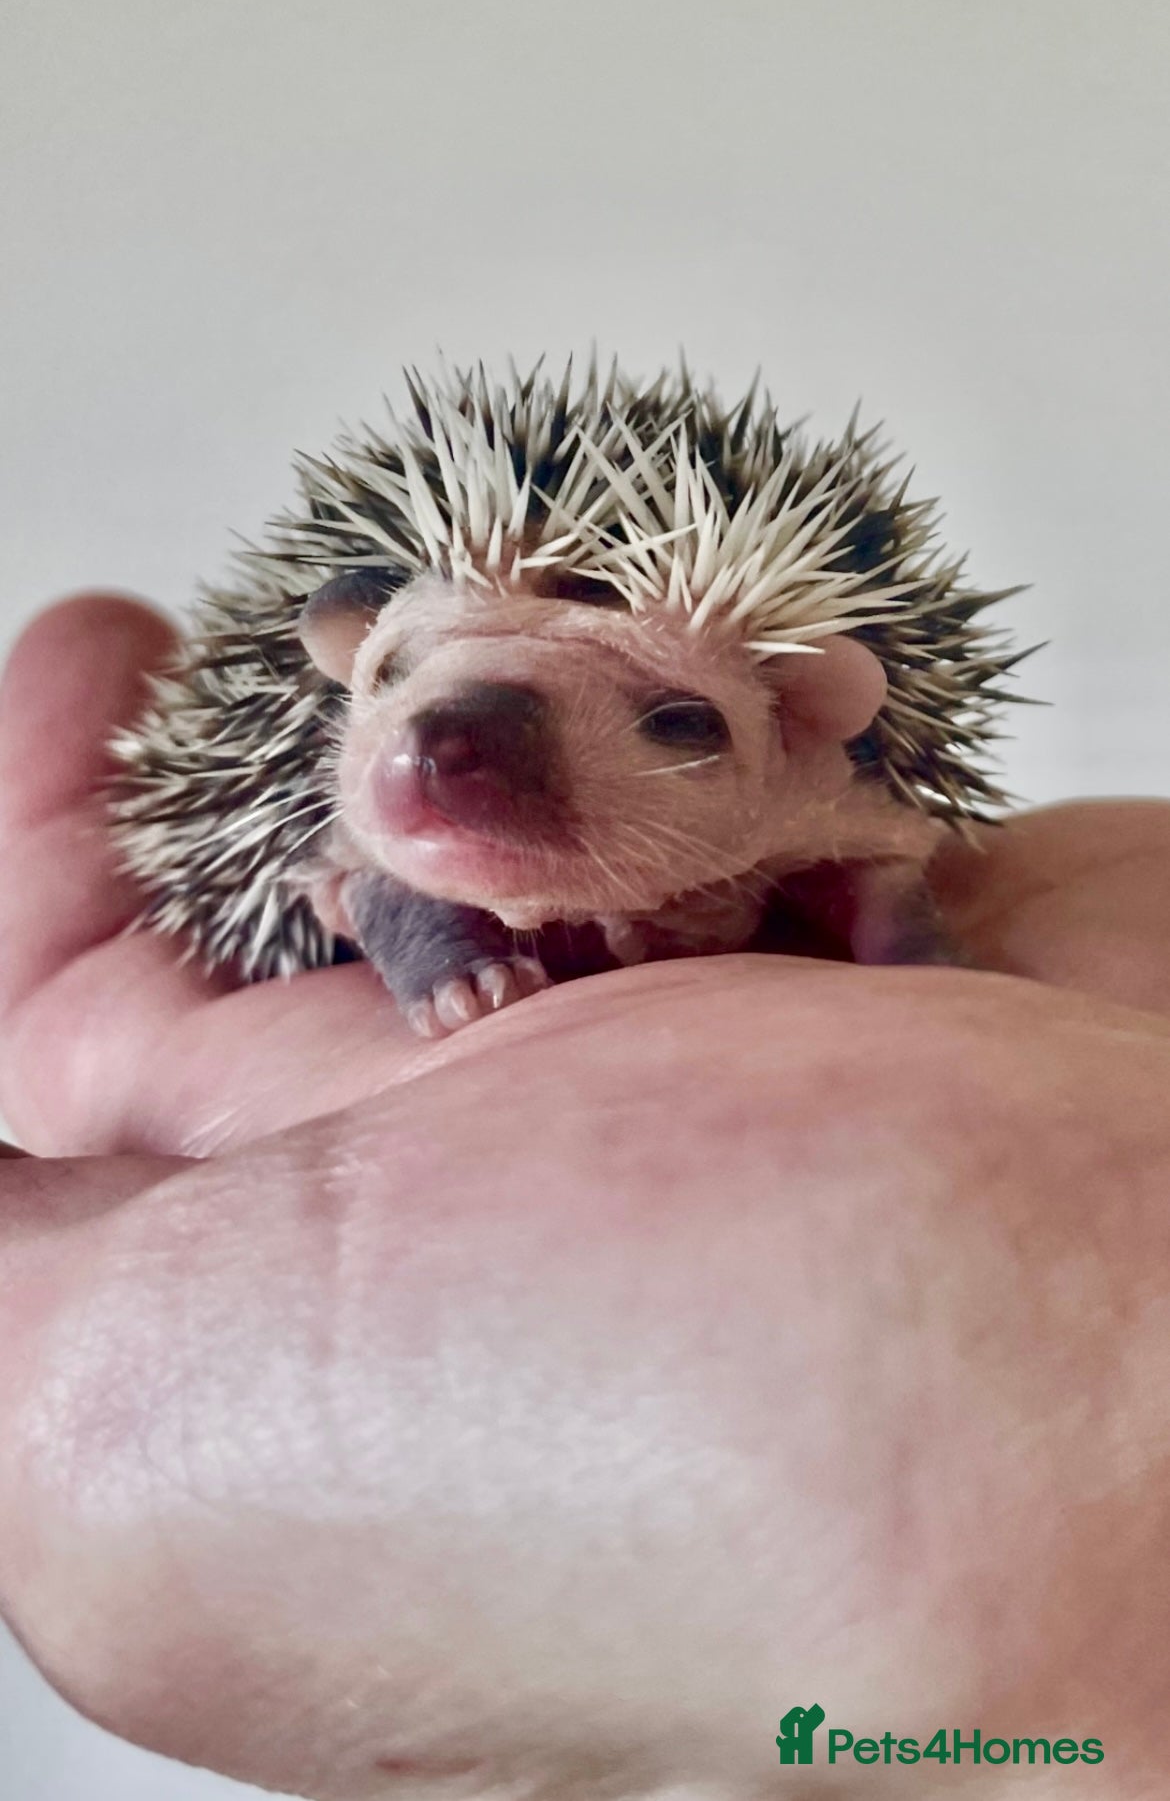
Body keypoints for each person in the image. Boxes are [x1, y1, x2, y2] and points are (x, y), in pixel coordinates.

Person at [0, 594, 1167, 1798]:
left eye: (673, 721)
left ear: (810, 732)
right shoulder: (357, 831)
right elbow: (368, 880)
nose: (442, 752)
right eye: (400, 678)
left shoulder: (847, 820)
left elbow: (887, 888)